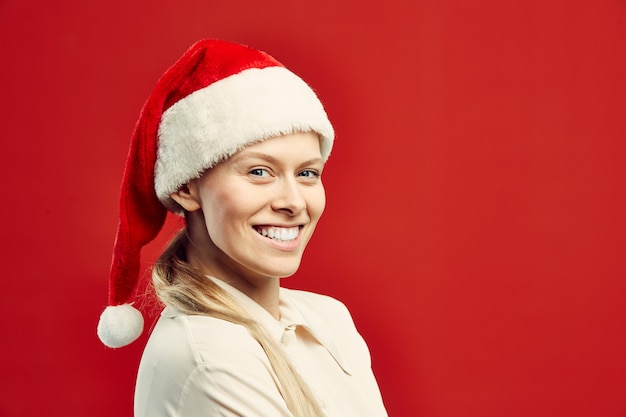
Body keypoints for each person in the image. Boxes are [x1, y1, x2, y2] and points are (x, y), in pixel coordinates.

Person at [97, 39, 388, 417]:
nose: (295, 202)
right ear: (186, 185)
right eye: (259, 172)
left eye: (307, 173)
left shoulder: (329, 319)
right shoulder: (209, 357)